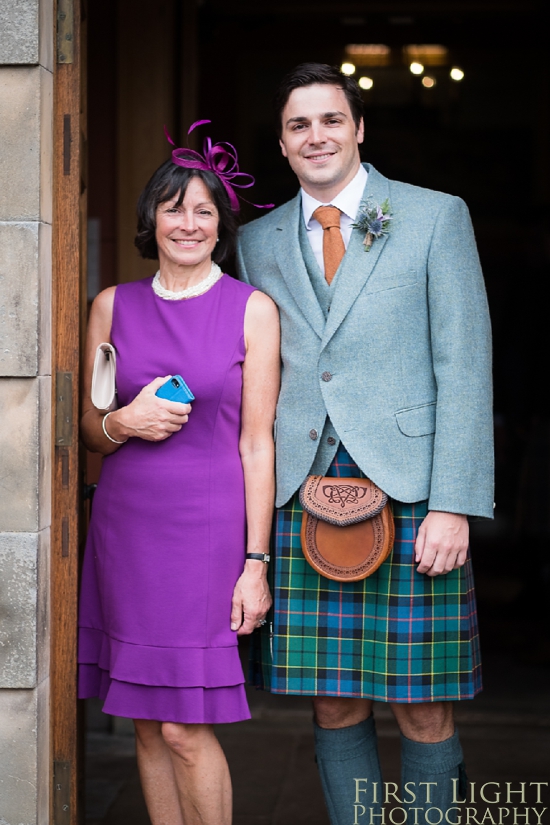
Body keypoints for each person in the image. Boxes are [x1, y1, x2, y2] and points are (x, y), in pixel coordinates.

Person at [237, 63, 493, 824]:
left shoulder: (434, 215)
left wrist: (453, 502)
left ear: (358, 129)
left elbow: (465, 364)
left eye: (330, 120)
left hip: (413, 488)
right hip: (301, 490)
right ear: (283, 145)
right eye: (298, 125)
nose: (316, 136)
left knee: (423, 705)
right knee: (333, 698)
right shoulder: (254, 241)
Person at [78, 125, 280, 825]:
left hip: (208, 539)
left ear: (221, 224)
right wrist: (124, 423)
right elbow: (88, 431)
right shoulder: (112, 305)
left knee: (185, 728)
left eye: (203, 210)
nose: (188, 222)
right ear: (151, 220)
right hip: (126, 534)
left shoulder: (252, 310)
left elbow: (258, 444)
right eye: (173, 207)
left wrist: (256, 561)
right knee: (143, 720)